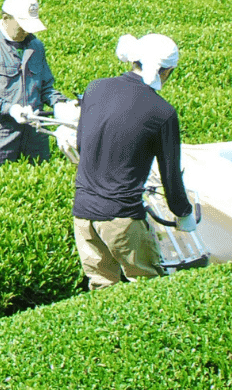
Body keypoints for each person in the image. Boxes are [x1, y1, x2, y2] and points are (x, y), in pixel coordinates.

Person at [72, 33, 197, 289]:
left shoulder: (95, 88)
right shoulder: (162, 111)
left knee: (101, 286)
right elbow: (170, 177)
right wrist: (183, 213)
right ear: (167, 71)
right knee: (147, 288)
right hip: (122, 218)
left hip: (83, 214)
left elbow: (82, 145)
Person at [0, 0, 69, 170]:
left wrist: (60, 103)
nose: (26, 30)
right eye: (22, 25)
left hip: (36, 131)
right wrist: (10, 109)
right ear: (6, 18)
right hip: (1, 132)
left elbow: (45, 87)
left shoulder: (36, 46)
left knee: (40, 180)